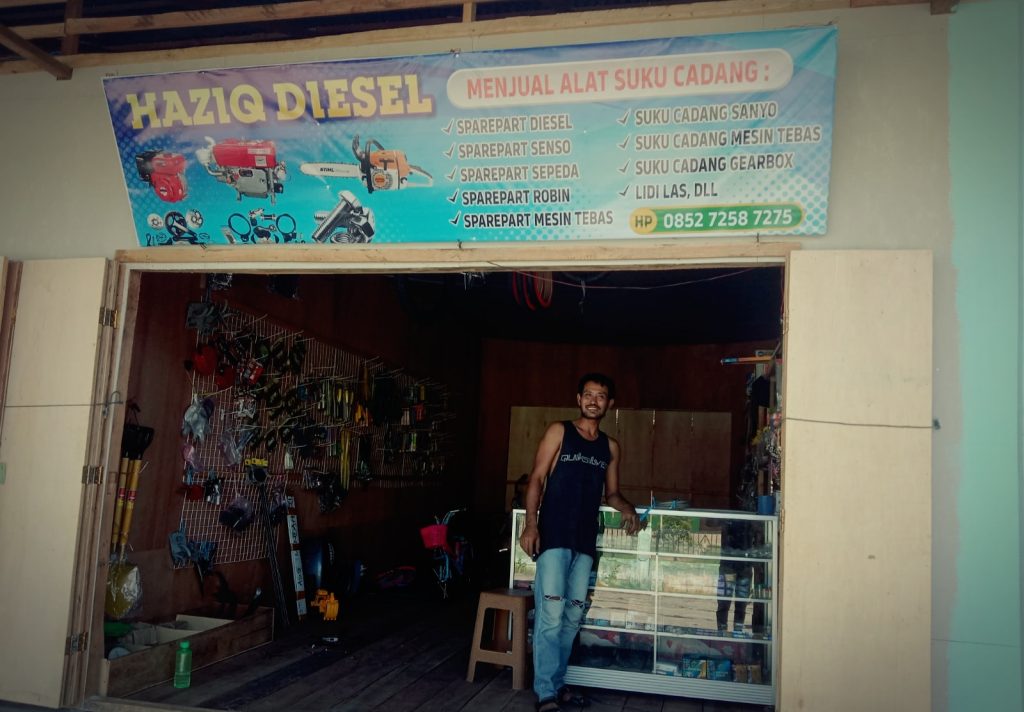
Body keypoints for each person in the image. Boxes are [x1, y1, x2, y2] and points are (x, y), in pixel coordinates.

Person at [519, 373, 640, 712]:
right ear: (578, 399)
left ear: (609, 404)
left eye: (600, 396)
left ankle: (558, 685)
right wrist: (531, 524)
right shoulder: (560, 431)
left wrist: (627, 508)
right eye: (588, 394)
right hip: (554, 536)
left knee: (572, 618)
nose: (593, 400)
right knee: (551, 615)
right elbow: (537, 478)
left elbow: (611, 493)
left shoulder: (610, 447)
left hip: (585, 542)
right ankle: (546, 692)